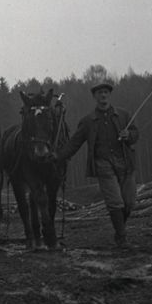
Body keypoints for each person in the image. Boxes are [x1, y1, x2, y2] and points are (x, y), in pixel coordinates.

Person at [56, 81, 139, 249]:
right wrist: (57, 157)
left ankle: (119, 230)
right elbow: (74, 143)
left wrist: (128, 135)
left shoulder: (124, 115)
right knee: (115, 202)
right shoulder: (87, 121)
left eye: (106, 92)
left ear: (109, 95)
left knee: (129, 203)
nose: (103, 95)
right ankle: (122, 238)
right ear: (95, 97)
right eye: (100, 93)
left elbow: (136, 134)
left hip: (126, 164)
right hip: (103, 165)